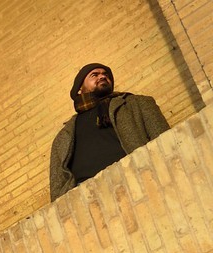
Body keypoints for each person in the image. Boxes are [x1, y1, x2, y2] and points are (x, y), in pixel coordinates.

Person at [50, 62, 170, 199]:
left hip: (137, 178)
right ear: (79, 89)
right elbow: (58, 184)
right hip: (88, 198)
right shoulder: (64, 136)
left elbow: (165, 141)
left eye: (105, 74)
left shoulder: (137, 103)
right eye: (94, 75)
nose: (102, 76)